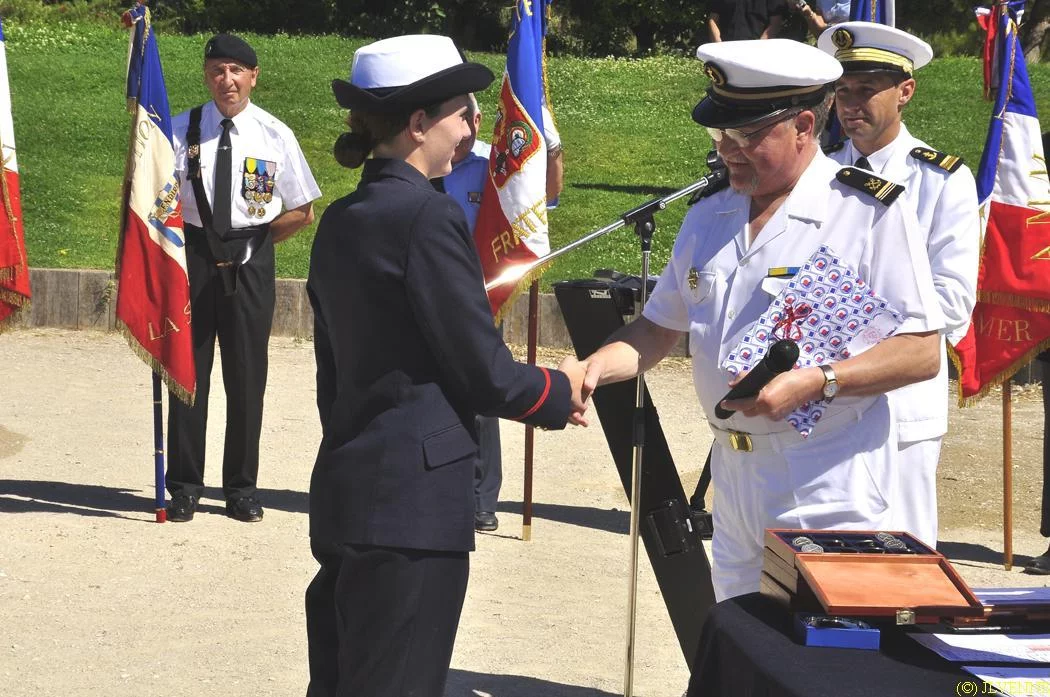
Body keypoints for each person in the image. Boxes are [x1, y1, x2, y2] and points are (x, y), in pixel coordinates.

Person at [563, 38, 945, 601]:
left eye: (745, 136)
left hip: (824, 477)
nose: (727, 152)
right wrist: (592, 368)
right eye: (720, 136)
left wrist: (816, 382)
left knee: (826, 657)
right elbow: (658, 326)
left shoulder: (866, 212)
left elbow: (922, 350)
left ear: (804, 126)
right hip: (734, 472)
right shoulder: (708, 216)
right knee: (746, 647)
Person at [305, 35, 586, 696]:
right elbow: (480, 368)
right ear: (417, 122)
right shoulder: (428, 218)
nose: (471, 127)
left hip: (348, 490)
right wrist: (558, 388)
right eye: (461, 111)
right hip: (412, 510)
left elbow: (332, 373)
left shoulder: (342, 218)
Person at [818, 22, 980, 548]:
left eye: (865, 90)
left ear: (905, 91)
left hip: (900, 404)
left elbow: (952, 302)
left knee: (901, 559)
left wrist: (840, 321)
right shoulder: (815, 176)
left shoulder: (941, 179)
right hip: (821, 400)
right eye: (842, 91)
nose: (849, 104)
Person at [165, 33, 321, 523]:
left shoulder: (276, 135)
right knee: (187, 372)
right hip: (191, 256)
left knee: (247, 376)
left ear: (253, 76)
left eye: (236, 70)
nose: (226, 80)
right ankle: (185, 484)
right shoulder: (179, 130)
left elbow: (302, 210)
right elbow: (157, 202)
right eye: (216, 70)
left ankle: (241, 488)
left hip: (251, 258)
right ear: (206, 75)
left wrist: (252, 247)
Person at [436, 93, 565, 532]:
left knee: (481, 389)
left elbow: (546, 196)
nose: (457, 128)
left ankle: (481, 496)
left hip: (481, 291)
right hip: (428, 286)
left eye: (463, 117)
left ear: (476, 119)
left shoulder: (496, 165)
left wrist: (550, 148)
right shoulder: (424, 162)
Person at [707, 0, 790, 42]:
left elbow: (775, 23)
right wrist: (718, 45)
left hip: (757, 51)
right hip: (726, 49)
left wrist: (758, 49)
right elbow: (713, 19)